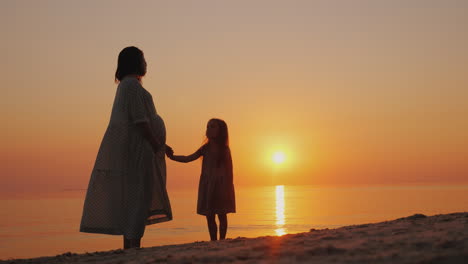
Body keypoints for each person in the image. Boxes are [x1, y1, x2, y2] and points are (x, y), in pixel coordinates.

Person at [80, 46, 173, 249]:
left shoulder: (128, 85)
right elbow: (140, 122)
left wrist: (161, 145)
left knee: (134, 199)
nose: (146, 63)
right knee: (138, 198)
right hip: (139, 153)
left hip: (140, 149)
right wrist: (157, 144)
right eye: (143, 59)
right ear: (135, 62)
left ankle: (130, 248)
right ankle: (133, 248)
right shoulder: (131, 85)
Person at [167, 118, 236, 241]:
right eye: (208, 126)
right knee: (209, 216)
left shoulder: (224, 149)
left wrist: (228, 189)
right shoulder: (205, 148)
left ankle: (222, 240)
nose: (209, 129)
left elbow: (230, 170)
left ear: (221, 131)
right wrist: (172, 157)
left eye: (213, 127)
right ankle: (213, 240)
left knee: (222, 214)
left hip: (221, 186)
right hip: (207, 186)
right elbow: (188, 158)